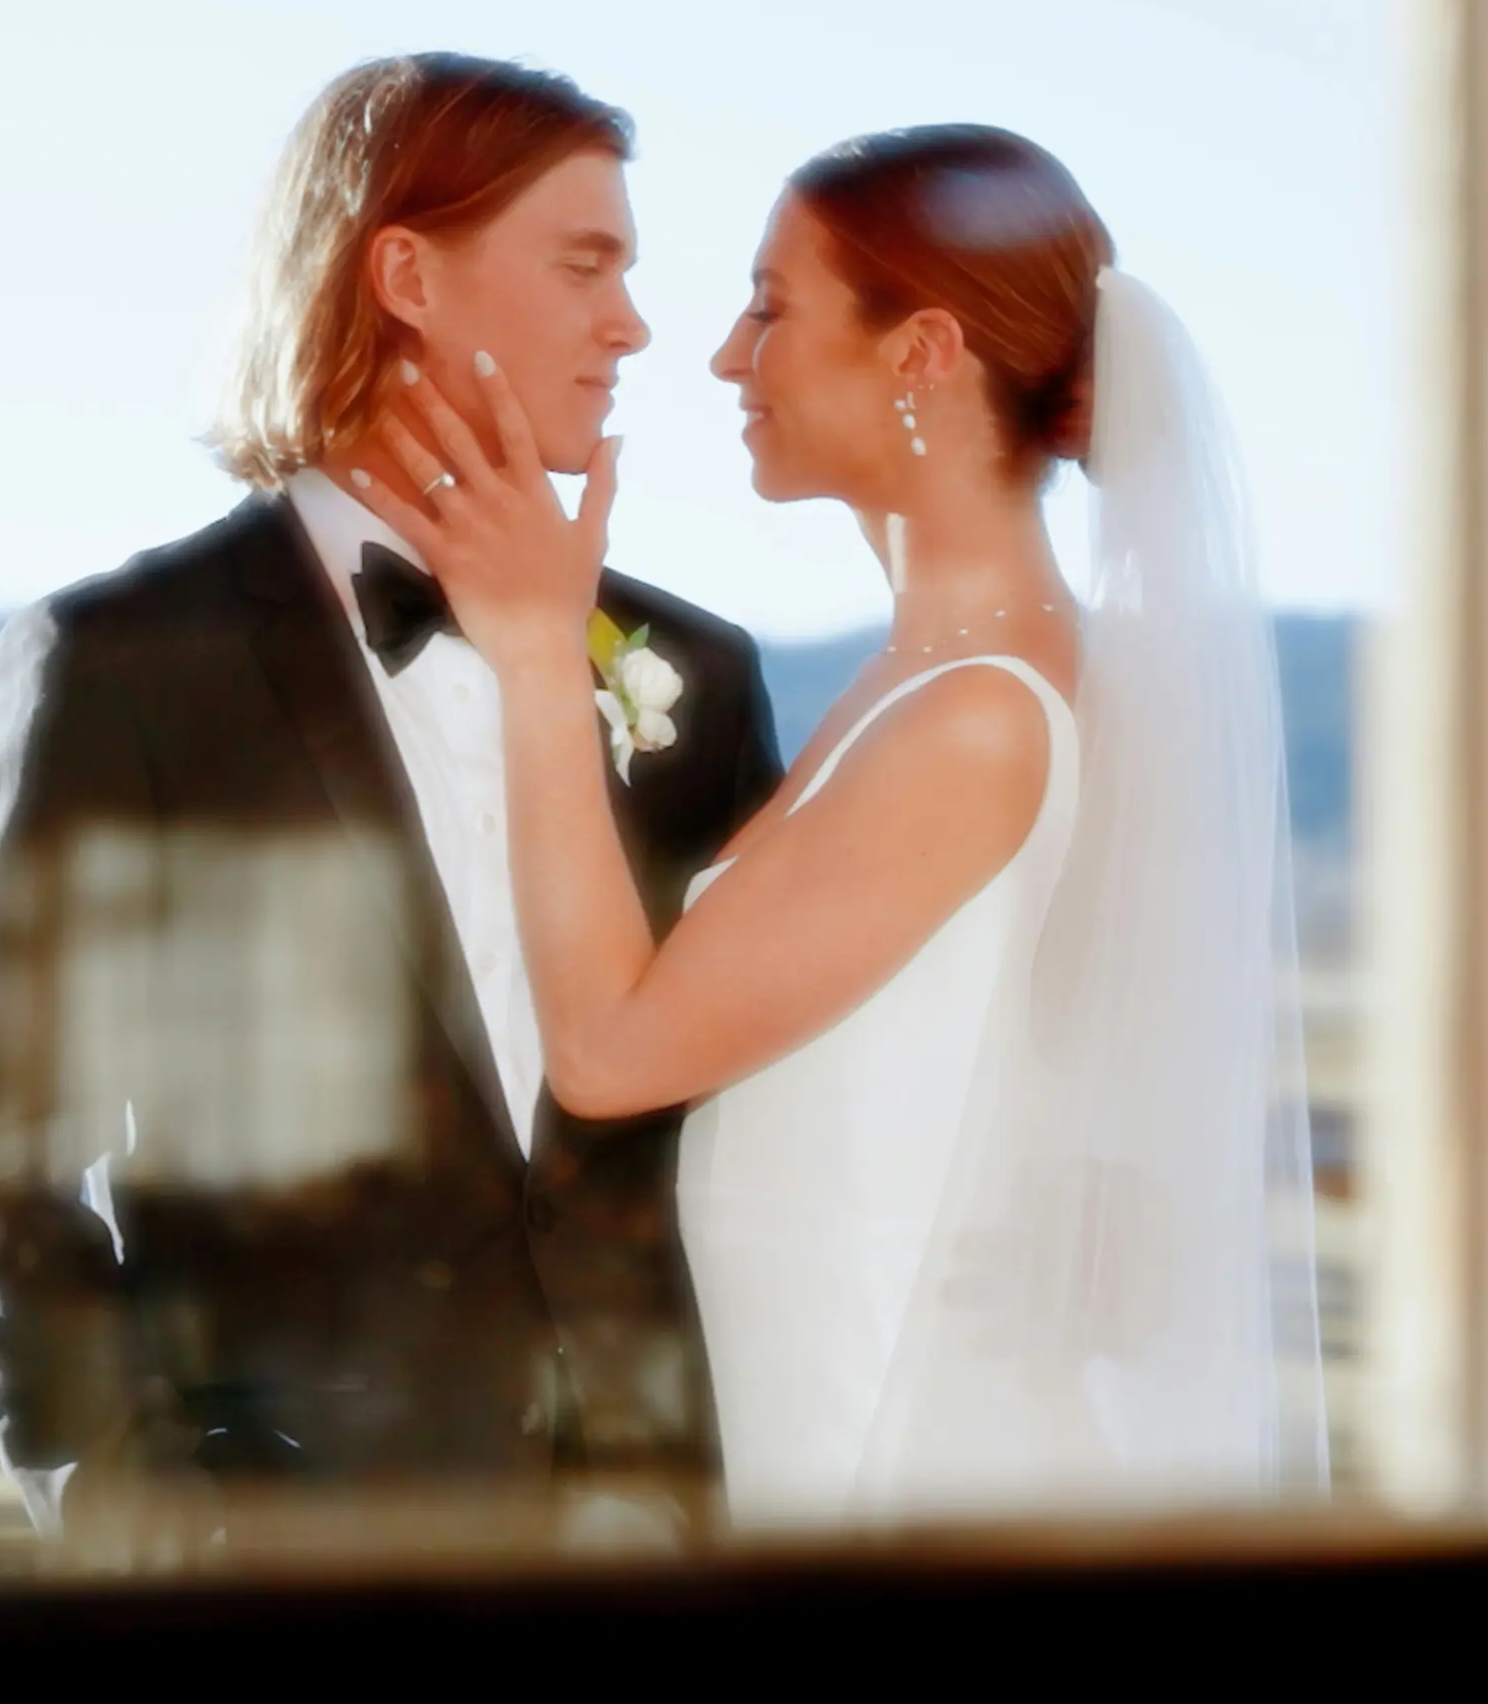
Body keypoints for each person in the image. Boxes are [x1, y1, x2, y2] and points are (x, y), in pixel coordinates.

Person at [354, 125, 1327, 1528]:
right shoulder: (939, 684)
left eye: (768, 305)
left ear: (920, 349)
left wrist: (530, 659)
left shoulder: (976, 719)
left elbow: (615, 1051)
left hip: (912, 1463)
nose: (723, 357)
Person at [0, 53, 786, 1554]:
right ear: (406, 275)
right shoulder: (115, 669)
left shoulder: (689, 677)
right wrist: (169, 1539)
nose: (630, 324)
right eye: (585, 263)